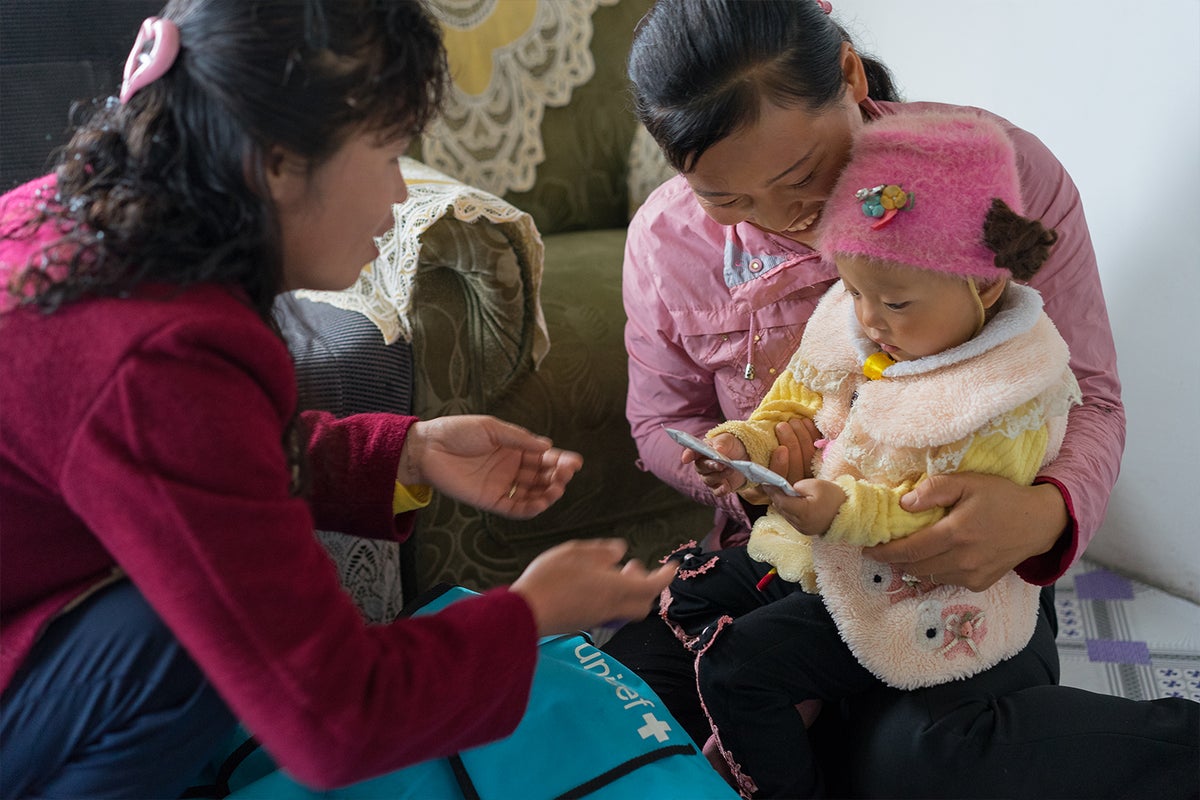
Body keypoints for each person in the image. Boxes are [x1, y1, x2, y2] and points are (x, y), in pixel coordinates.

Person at [0, 2, 675, 798]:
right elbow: (330, 718)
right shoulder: (155, 351)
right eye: (389, 153)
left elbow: (181, 463)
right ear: (276, 162)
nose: (398, 197)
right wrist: (527, 617)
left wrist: (406, 452)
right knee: (180, 647)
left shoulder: (86, 215)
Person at [604, 1, 1199, 797]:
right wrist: (738, 459)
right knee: (632, 709)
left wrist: (1044, 516)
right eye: (728, 200)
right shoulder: (665, 244)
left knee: (914, 761)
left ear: (848, 75)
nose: (788, 219)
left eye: (798, 176)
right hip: (783, 567)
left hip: (960, 576)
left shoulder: (998, 177)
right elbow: (657, 422)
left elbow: (1090, 395)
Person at [687, 111, 1080, 798]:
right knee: (681, 602)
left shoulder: (1005, 396)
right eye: (854, 291)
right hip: (823, 551)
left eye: (894, 302)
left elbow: (939, 524)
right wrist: (741, 445)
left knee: (740, 667)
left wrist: (842, 507)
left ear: (984, 286)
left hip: (918, 588)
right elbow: (791, 401)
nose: (867, 321)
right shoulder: (865, 326)